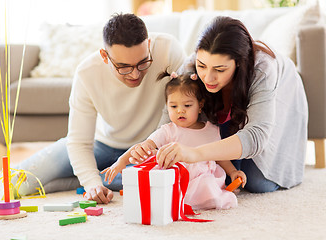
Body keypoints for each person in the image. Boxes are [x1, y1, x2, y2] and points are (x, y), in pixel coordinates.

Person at [13, 13, 186, 203]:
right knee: (19, 182)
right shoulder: (87, 72)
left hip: (147, 148)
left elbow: (179, 111)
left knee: (161, 179)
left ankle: (73, 183)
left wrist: (151, 145)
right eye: (124, 67)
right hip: (101, 143)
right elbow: (79, 142)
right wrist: (92, 185)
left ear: (149, 44)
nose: (135, 74)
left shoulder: (169, 49)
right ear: (105, 56)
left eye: (143, 62)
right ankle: (94, 178)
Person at [134, 16, 308, 193]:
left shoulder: (262, 69)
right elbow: (168, 120)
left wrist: (194, 153)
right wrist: (153, 148)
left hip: (281, 96)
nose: (208, 78)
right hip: (229, 117)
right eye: (202, 66)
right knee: (215, 172)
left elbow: (256, 137)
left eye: (219, 70)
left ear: (239, 63)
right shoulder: (191, 66)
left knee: (257, 183)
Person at [102, 71, 247, 210]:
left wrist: (233, 172)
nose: (180, 111)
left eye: (187, 105)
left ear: (200, 105)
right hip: (174, 179)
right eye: (173, 106)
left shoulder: (211, 130)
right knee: (148, 181)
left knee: (208, 185)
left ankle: (200, 199)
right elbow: (142, 147)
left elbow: (220, 157)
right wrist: (122, 161)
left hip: (202, 178)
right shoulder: (168, 130)